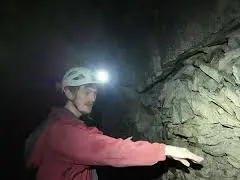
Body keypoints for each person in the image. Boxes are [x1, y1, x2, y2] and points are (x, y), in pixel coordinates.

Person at [25, 67, 204, 180]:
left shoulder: (64, 124)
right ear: (68, 92)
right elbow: (106, 150)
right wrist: (164, 150)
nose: (93, 98)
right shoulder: (63, 132)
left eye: (95, 93)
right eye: (87, 92)